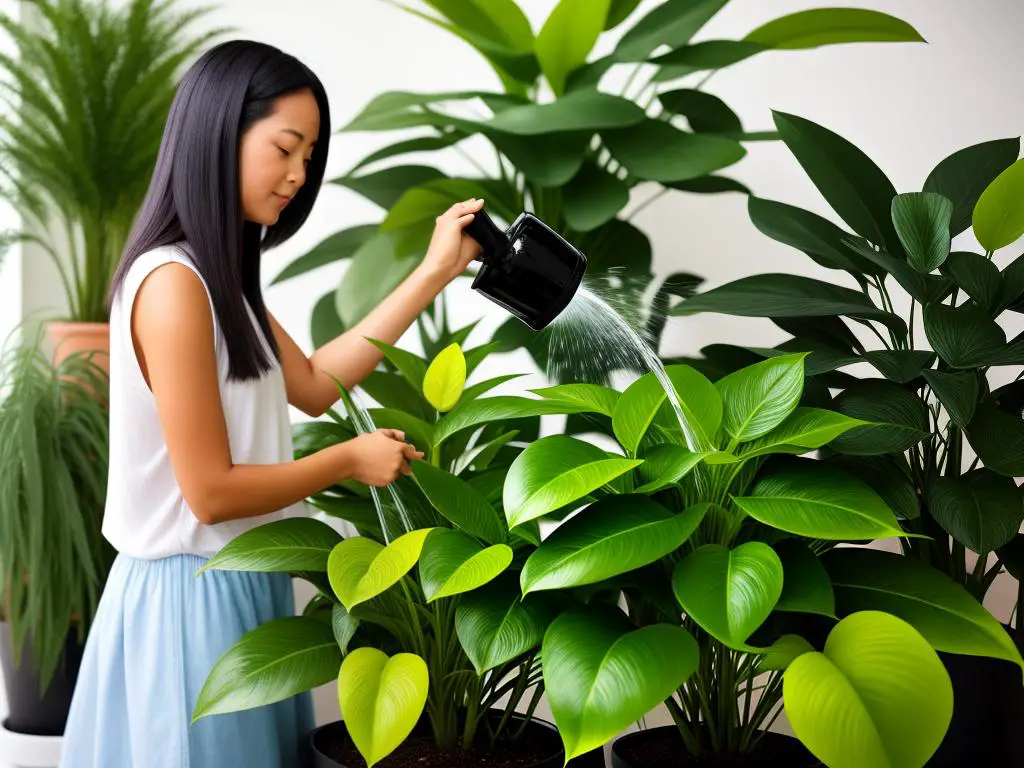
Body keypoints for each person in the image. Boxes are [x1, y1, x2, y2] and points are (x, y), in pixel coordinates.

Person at [58, 39, 484, 768]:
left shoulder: (222, 279)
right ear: (220, 132)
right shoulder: (174, 287)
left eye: (310, 156)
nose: (298, 174)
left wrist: (435, 271)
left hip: (240, 589)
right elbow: (212, 492)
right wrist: (348, 460)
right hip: (187, 604)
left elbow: (317, 384)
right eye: (286, 147)